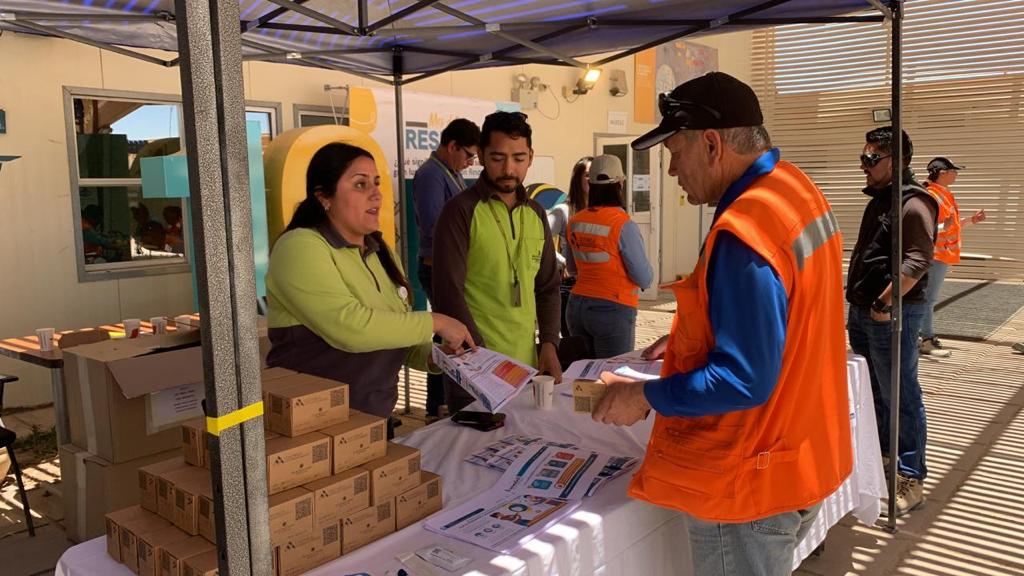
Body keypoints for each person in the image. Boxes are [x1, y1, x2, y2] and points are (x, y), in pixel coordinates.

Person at [590, 72, 852, 576]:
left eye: (675, 152)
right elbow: (789, 308)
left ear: (711, 144)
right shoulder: (795, 188)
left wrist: (641, 396)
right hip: (802, 451)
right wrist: (697, 331)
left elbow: (743, 378)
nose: (671, 170)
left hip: (751, 478)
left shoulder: (745, 229)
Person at [264, 142, 475, 436]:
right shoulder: (299, 247)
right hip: (310, 428)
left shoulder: (381, 252)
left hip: (374, 420)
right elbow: (351, 328)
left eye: (377, 183)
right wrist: (435, 321)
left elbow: (395, 339)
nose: (376, 193)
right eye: (360, 184)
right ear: (323, 197)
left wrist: (437, 356)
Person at [432, 111, 562, 412]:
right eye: (497, 157)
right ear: (480, 155)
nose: (508, 169)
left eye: (518, 158)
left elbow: (547, 288)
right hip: (473, 369)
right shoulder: (460, 211)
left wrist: (549, 345)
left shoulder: (536, 214)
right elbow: (447, 294)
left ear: (530, 157)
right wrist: (483, 361)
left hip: (527, 369)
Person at [845, 126, 938, 516]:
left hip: (889, 313)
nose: (863, 165)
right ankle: (884, 458)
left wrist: (883, 304)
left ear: (898, 161)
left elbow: (916, 262)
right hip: (868, 313)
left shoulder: (913, 203)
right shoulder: (882, 200)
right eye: (863, 156)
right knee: (877, 392)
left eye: (872, 158)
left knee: (900, 393)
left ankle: (909, 475)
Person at [412, 118, 480, 418]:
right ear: (451, 146)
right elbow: (433, 225)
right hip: (436, 267)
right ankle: (435, 405)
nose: (470, 163)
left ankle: (438, 403)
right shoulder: (430, 175)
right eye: (468, 155)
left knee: (449, 337)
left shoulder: (450, 172)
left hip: (453, 265)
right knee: (447, 336)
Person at [566, 154, 653, 358]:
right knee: (611, 377)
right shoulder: (623, 224)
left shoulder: (575, 221)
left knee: (582, 376)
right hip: (613, 309)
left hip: (576, 307)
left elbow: (572, 269)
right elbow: (643, 277)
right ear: (620, 184)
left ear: (591, 184)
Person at [919, 157, 986, 357]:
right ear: (941, 173)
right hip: (935, 256)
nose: (956, 174)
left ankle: (925, 337)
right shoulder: (931, 195)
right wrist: (942, 227)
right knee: (928, 299)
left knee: (928, 298)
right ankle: (926, 339)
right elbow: (924, 228)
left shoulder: (944, 194)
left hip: (942, 255)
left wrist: (971, 220)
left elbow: (951, 226)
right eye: (953, 171)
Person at [547, 157, 591, 337]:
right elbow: (539, 238)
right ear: (577, 179)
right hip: (570, 290)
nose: (592, 179)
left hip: (596, 289)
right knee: (574, 347)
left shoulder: (604, 210)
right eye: (587, 175)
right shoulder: (564, 210)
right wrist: (561, 261)